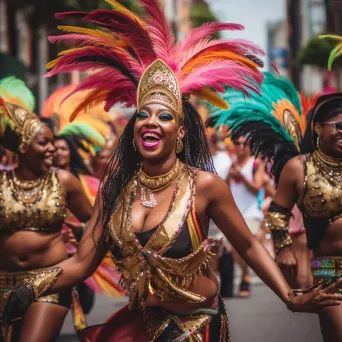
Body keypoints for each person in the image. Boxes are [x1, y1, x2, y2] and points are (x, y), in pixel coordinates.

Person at [2, 3, 342, 342]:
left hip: (197, 329)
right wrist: (32, 287)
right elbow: (81, 263)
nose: (151, 121)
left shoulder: (204, 186)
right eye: (143, 115)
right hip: (143, 326)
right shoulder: (116, 190)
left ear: (180, 134)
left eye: (164, 116)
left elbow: (250, 245)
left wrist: (291, 297)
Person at [208, 71, 342, 341]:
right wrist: (283, 249)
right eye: (339, 126)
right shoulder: (299, 167)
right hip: (329, 268)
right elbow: (278, 212)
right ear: (318, 128)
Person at [0, 76, 93, 342]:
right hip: (3, 282)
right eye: (44, 143)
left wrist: (83, 235)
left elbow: (97, 220)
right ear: (23, 147)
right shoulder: (2, 183)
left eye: (52, 142)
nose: (52, 149)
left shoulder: (63, 181)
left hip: (49, 284)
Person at [228, 137, 265, 297]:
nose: (241, 147)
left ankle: (246, 277)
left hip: (251, 214)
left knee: (242, 247)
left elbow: (258, 187)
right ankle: (245, 274)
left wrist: (242, 177)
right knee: (232, 248)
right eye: (237, 143)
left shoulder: (256, 163)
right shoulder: (232, 165)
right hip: (235, 214)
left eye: (245, 144)